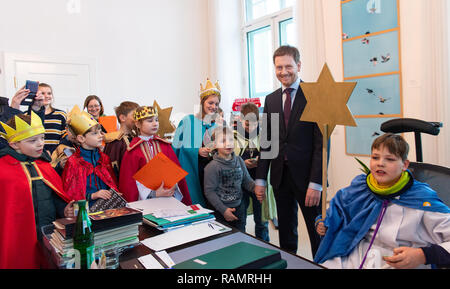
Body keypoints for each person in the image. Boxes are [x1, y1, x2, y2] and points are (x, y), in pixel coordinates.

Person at [315, 133, 450, 269]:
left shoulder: (421, 197)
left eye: (390, 159)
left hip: (402, 261)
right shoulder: (361, 187)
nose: (380, 163)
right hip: (356, 255)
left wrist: (422, 255)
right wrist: (323, 222)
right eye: (375, 157)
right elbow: (337, 212)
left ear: (404, 165)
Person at [254, 45, 323, 256]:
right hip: (280, 177)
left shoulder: (315, 95)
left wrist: (316, 183)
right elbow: (267, 142)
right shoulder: (271, 99)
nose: (283, 72)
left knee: (317, 231)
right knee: (286, 231)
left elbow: (322, 144)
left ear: (299, 66)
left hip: (308, 179)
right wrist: (260, 180)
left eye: (288, 66)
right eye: (278, 67)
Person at [0, 112, 74, 269]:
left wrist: (64, 210)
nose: (40, 144)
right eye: (33, 140)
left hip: (48, 236)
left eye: (42, 137)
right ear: (14, 144)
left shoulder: (44, 165)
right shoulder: (3, 171)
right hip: (18, 238)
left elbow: (53, 197)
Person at [119, 106, 191, 204]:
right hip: (146, 202)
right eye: (149, 121)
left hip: (169, 196)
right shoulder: (133, 151)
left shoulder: (165, 146)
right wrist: (153, 193)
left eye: (156, 120)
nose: (155, 123)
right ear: (138, 124)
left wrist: (175, 184)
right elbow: (129, 184)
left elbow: (176, 172)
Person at [172, 78, 221, 207]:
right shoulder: (188, 121)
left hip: (211, 174)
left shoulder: (217, 125)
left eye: (217, 104)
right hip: (193, 171)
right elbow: (175, 147)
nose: (214, 107)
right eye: (210, 103)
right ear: (202, 102)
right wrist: (196, 151)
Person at [61, 106, 118, 208]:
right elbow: (71, 194)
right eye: (95, 133)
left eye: (100, 132)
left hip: (107, 208)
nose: (101, 135)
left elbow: (110, 183)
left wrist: (114, 193)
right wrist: (93, 195)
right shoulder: (73, 162)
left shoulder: (104, 158)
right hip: (87, 211)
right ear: (81, 138)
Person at [204, 126, 255, 231]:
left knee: (241, 235)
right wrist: (224, 210)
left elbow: (247, 181)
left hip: (239, 208)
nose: (228, 144)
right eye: (223, 141)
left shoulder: (239, 160)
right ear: (215, 145)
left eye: (231, 140)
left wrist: (256, 187)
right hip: (221, 211)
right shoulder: (212, 167)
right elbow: (209, 192)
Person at [103, 101, 140, 179]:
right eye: (135, 116)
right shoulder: (116, 141)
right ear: (122, 118)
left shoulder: (135, 137)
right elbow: (112, 169)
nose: (138, 119)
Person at [35, 83, 68, 154]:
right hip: (36, 157)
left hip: (55, 157)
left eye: (49, 93)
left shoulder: (61, 115)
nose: (46, 96)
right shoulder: (29, 115)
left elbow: (65, 137)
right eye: (42, 93)